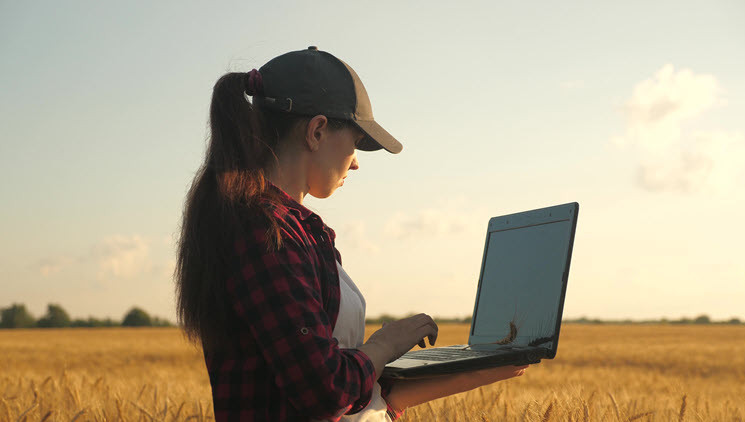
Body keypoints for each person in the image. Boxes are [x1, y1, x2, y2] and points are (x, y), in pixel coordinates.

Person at [175, 46, 528, 421]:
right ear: (317, 131)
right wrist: (383, 344)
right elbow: (325, 391)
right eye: (356, 143)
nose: (356, 162)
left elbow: (358, 396)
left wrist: (482, 368)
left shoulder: (296, 230)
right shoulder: (266, 233)